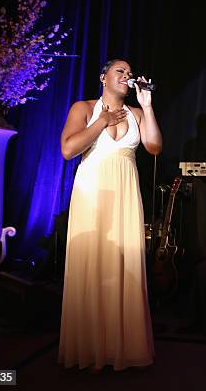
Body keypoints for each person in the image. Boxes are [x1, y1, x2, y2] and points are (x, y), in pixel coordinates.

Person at [58, 59, 162, 371]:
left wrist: (147, 104)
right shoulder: (84, 107)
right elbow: (67, 150)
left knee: (123, 264)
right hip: (92, 192)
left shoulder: (138, 112)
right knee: (92, 261)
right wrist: (101, 122)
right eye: (120, 71)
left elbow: (154, 146)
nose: (127, 76)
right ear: (103, 77)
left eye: (129, 73)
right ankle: (89, 347)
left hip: (125, 194)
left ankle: (121, 347)